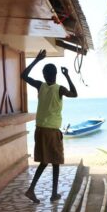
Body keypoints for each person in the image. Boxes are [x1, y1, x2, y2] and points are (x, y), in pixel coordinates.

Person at [21, 49, 78, 203]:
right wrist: (67, 75)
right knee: (55, 161)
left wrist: (37, 60)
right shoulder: (59, 89)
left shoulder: (40, 85)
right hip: (52, 132)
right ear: (56, 75)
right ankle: (48, 193)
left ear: (45, 75)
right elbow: (74, 93)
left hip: (39, 130)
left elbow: (23, 75)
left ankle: (34, 190)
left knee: (46, 161)